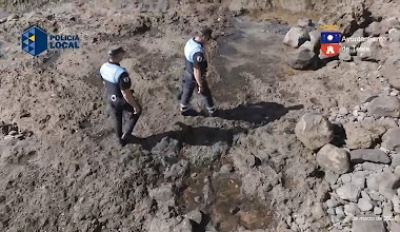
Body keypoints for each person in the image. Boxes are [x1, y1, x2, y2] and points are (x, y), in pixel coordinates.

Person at [99, 46, 142, 147]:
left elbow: (105, 83)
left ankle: (119, 140)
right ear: (118, 55)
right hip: (120, 99)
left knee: (117, 118)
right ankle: (127, 134)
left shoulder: (103, 67)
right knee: (136, 111)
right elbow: (125, 93)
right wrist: (135, 106)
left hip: (109, 97)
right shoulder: (121, 73)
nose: (123, 55)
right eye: (122, 53)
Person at [179, 27, 217, 117]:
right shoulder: (198, 53)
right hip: (194, 76)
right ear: (204, 37)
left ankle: (184, 109)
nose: (208, 41)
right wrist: (200, 84)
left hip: (187, 72)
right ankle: (212, 112)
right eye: (208, 38)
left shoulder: (190, 41)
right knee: (206, 94)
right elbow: (197, 70)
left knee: (187, 91)